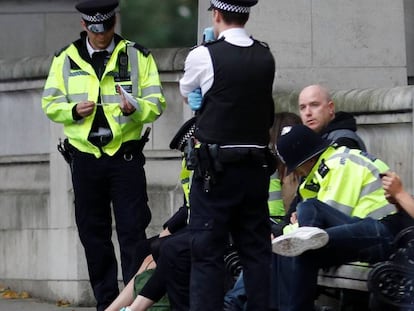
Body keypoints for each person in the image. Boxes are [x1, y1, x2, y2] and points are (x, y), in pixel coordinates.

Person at [41, 1, 166, 309]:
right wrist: (71, 110)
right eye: (95, 30)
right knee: (93, 234)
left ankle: (135, 303)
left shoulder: (137, 56)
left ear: (114, 23)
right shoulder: (66, 58)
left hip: (124, 157)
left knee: (132, 232)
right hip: (84, 158)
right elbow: (50, 102)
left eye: (107, 29)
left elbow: (157, 101)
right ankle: (107, 303)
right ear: (85, 26)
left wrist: (135, 107)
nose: (101, 36)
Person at [179, 0, 276, 310]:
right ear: (246, 14)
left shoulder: (203, 55)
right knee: (256, 253)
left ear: (216, 14)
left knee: (207, 254)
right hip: (255, 170)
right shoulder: (265, 54)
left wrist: (207, 48)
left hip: (215, 174)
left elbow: (187, 89)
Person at [269, 125, 398, 311]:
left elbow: (324, 230)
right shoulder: (331, 165)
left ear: (309, 159)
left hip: (377, 239)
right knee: (298, 246)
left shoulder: (340, 166)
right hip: (362, 235)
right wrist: (291, 231)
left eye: (296, 168)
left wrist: (291, 230)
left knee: (303, 235)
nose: (297, 173)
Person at [271, 170, 414, 311]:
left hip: (387, 238)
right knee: (310, 205)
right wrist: (396, 201)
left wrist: (400, 193)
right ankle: (307, 234)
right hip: (378, 228)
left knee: (306, 247)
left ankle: (308, 238)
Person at [298, 84, 366, 151]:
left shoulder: (344, 141)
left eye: (314, 105)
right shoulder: (306, 141)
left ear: (330, 107)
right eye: (303, 107)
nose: (307, 113)